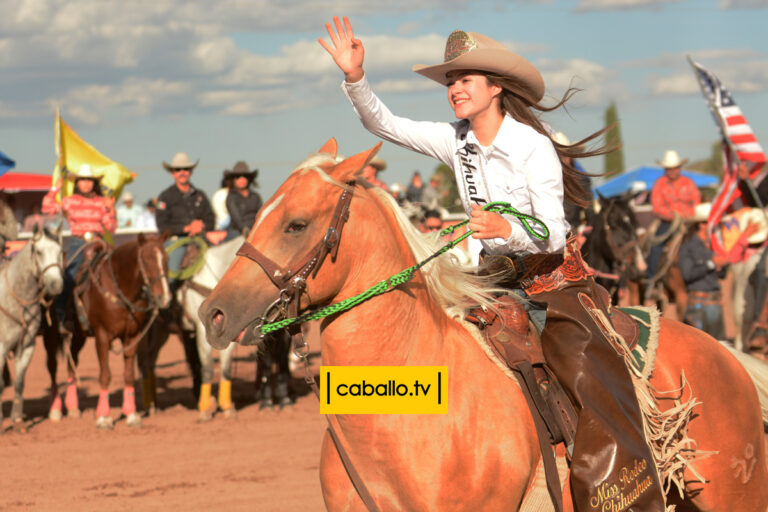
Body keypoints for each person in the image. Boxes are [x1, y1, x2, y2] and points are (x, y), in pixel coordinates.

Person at [320, 17, 666, 510]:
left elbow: (555, 229)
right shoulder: (455, 140)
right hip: (491, 281)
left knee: (580, 370)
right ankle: (380, 444)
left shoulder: (532, 145)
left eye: (464, 80)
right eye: (450, 82)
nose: (454, 90)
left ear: (495, 87)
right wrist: (356, 78)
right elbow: (385, 125)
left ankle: (613, 489)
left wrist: (508, 230)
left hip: (551, 282)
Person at [42, 164, 117, 326]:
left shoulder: (101, 202)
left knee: (116, 272)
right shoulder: (69, 201)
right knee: (68, 276)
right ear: (77, 182)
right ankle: (61, 314)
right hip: (79, 243)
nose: (86, 183)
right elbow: (47, 207)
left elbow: (111, 227)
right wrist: (55, 188)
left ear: (93, 183)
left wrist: (111, 210)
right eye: (82, 180)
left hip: (98, 242)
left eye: (89, 180)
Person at [155, 152, 215, 288]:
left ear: (191, 172)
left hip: (202, 239)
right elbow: (162, 226)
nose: (182, 172)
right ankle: (168, 306)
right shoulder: (165, 197)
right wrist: (186, 228)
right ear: (172, 173)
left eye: (186, 169)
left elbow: (210, 218)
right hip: (176, 241)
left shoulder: (200, 195)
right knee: (171, 276)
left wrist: (202, 226)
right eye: (178, 169)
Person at [646, 150, 700, 283]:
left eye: (674, 168)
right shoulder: (659, 184)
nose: (671, 171)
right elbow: (657, 207)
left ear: (679, 168)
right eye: (668, 169)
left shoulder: (689, 183)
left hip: (689, 221)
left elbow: (696, 202)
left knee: (703, 241)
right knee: (656, 245)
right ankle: (651, 279)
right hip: (667, 222)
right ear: (665, 169)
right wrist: (673, 216)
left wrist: (687, 214)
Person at [678, 203, 728, 339]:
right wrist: (712, 263)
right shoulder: (687, 247)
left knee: (720, 348)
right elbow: (687, 275)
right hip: (698, 306)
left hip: (715, 303)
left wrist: (722, 265)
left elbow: (721, 275)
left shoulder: (714, 246)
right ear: (702, 224)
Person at [553, 132, 592, 229]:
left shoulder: (581, 181)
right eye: (559, 155)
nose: (563, 159)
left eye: (566, 154)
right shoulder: (540, 181)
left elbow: (589, 210)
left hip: (573, 231)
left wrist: (586, 229)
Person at [225, 161, 262, 237]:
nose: (242, 179)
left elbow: (261, 214)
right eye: (238, 177)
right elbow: (236, 218)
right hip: (237, 231)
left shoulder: (255, 196)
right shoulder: (231, 198)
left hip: (256, 229)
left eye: (245, 176)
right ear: (234, 180)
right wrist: (244, 229)